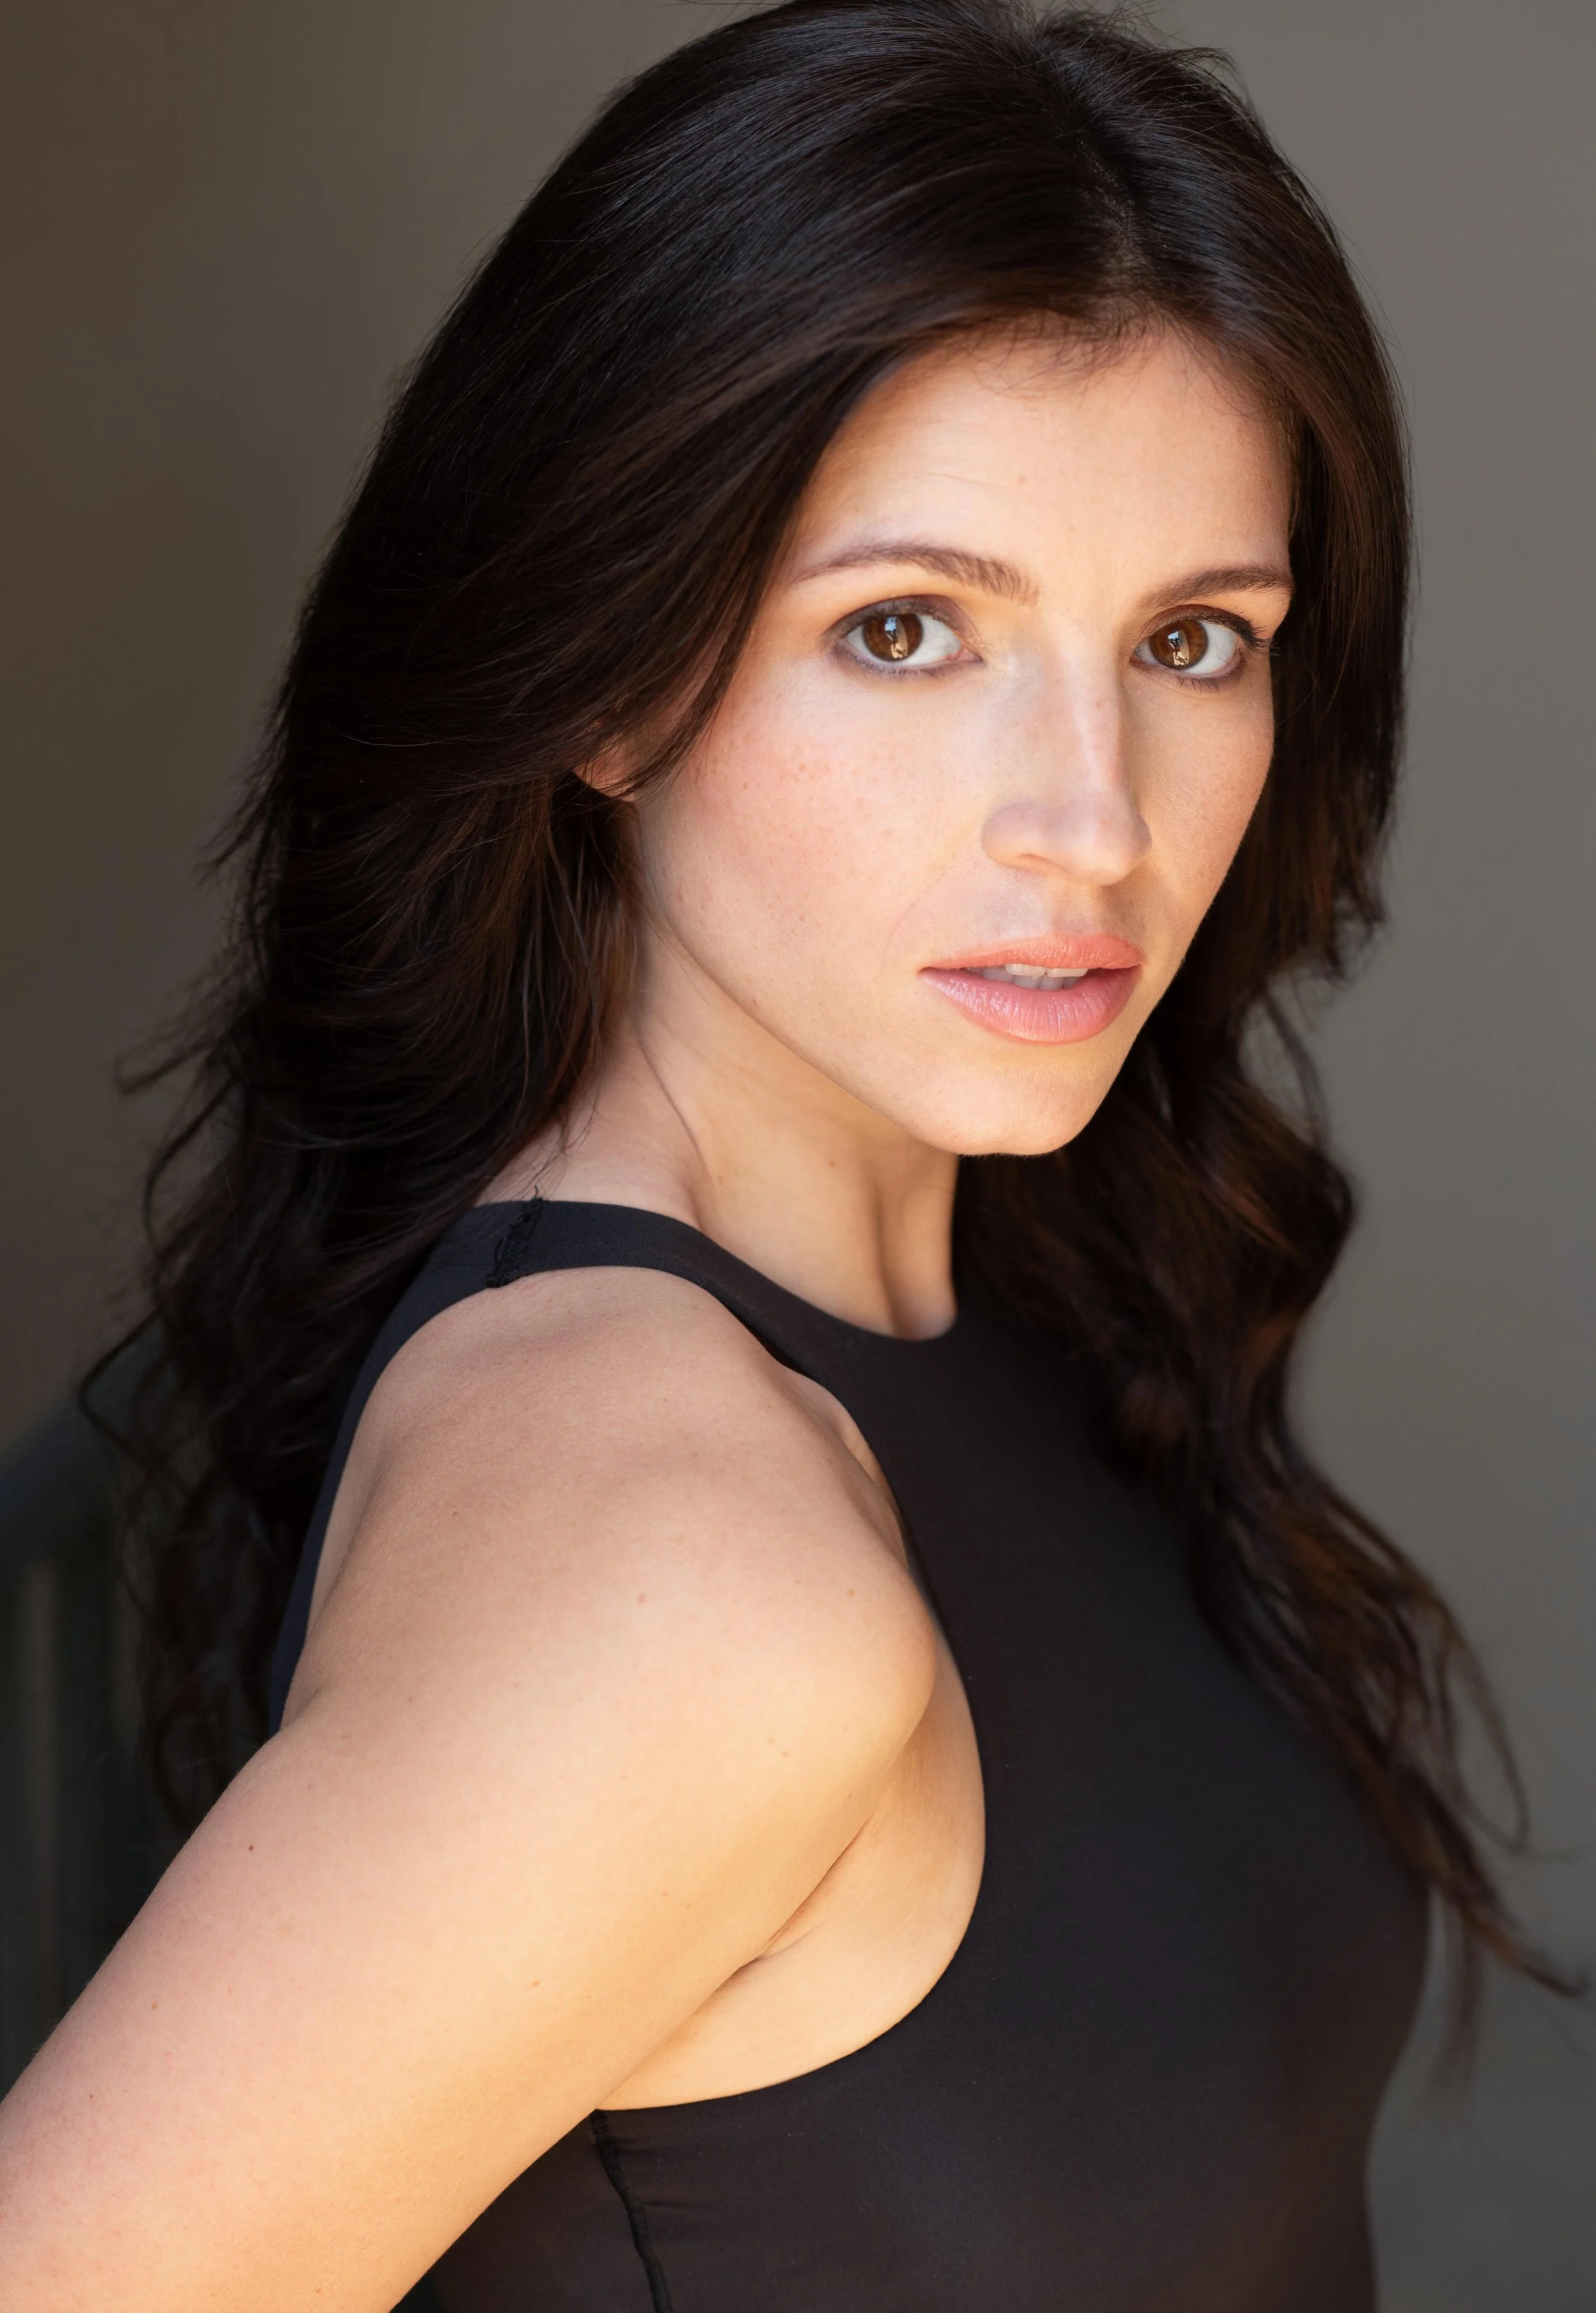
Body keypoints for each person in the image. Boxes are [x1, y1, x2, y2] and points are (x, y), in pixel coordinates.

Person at [0, 3, 1552, 2306]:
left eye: (1191, 639)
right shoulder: (676, 1551)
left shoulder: (1000, 1280)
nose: (1092, 820)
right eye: (905, 631)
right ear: (604, 675)